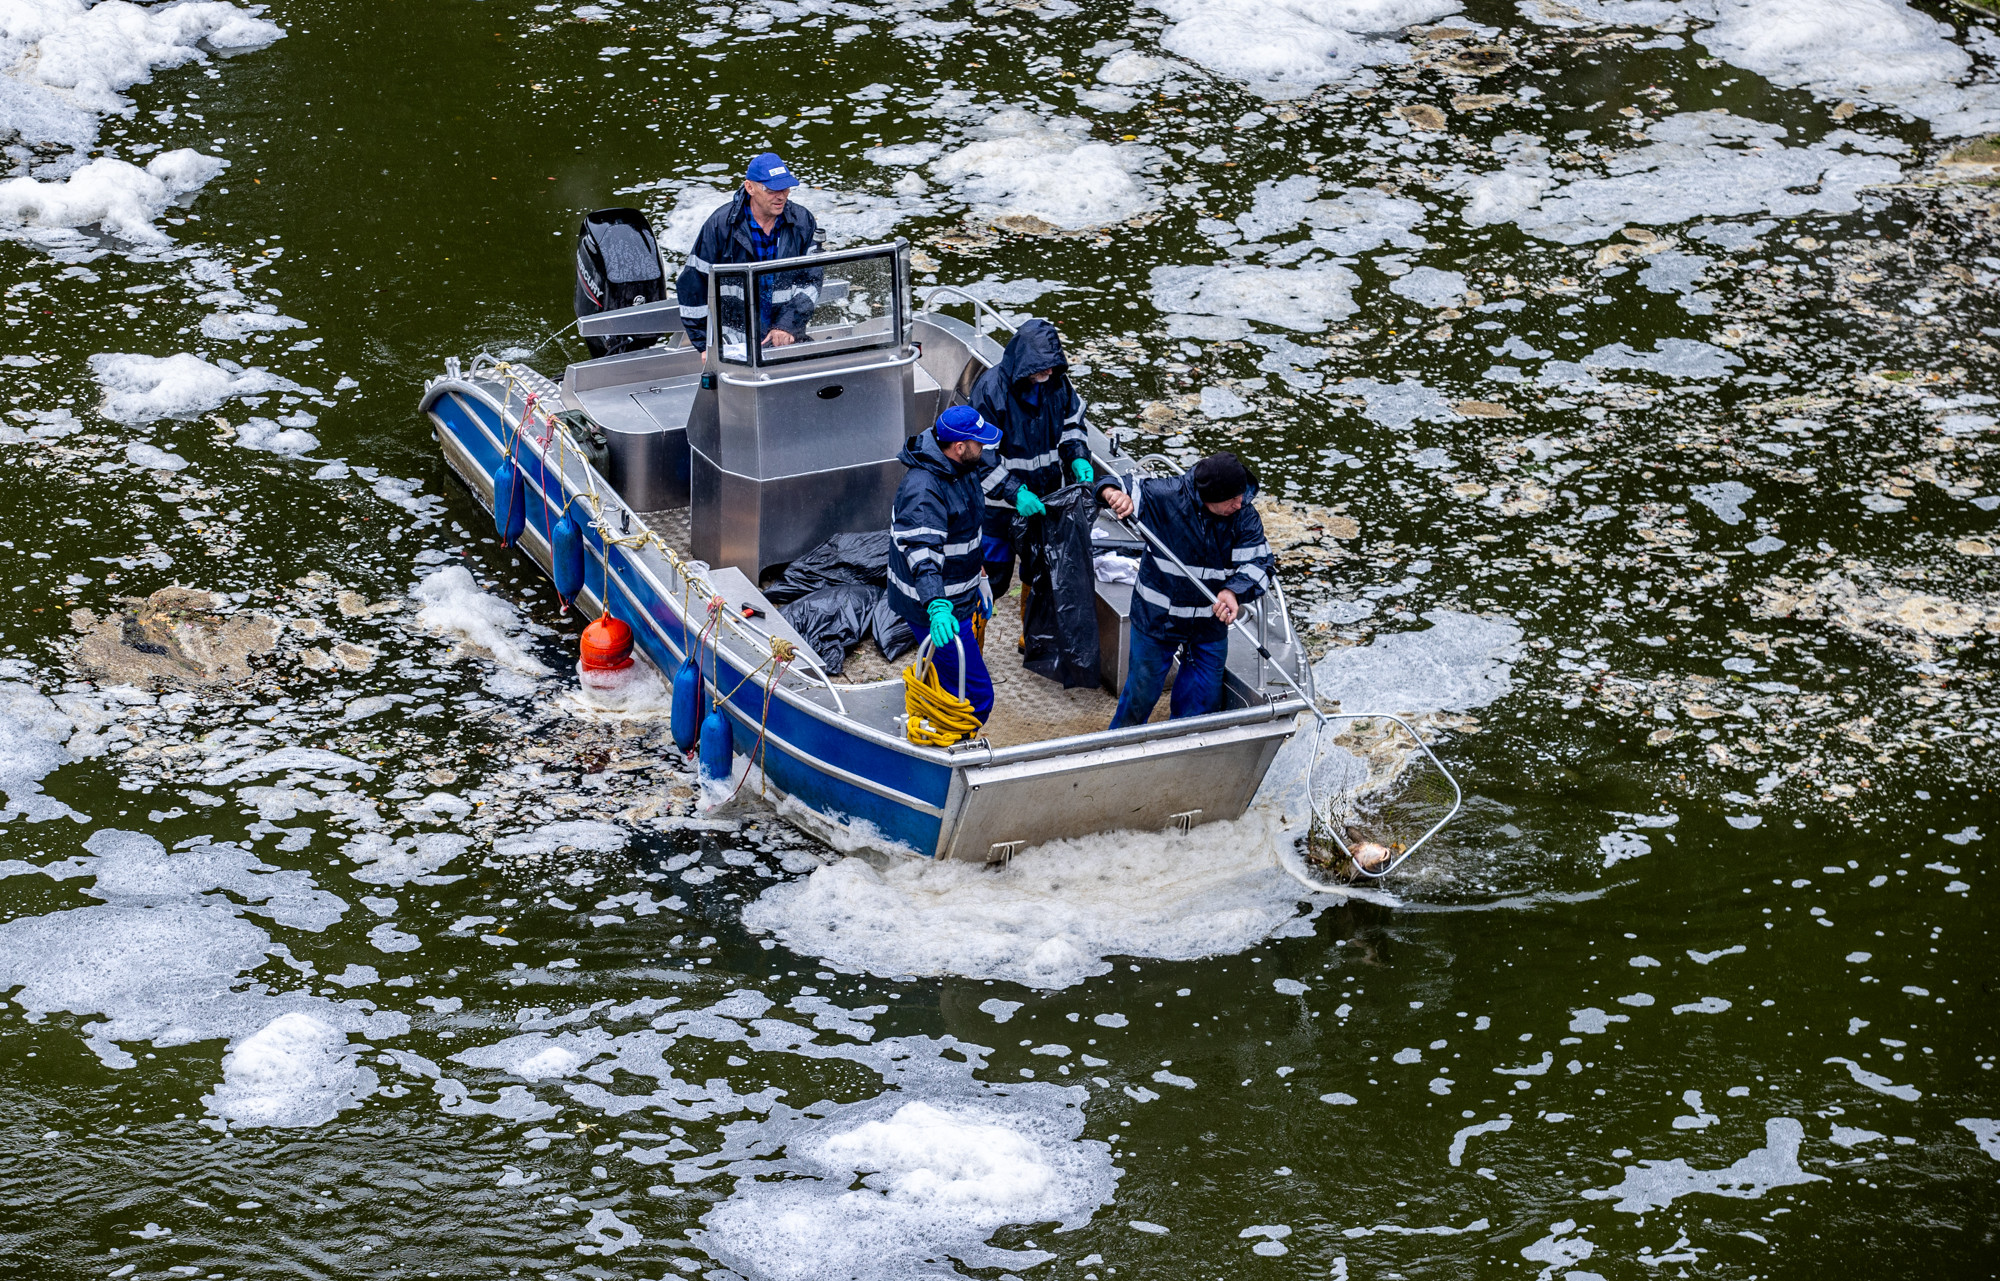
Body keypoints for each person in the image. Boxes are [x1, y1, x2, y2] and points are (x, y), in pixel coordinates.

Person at [1094, 451, 1274, 729]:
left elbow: (1260, 563)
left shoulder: (1244, 515)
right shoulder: (1164, 496)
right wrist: (1112, 492)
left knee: (1200, 702)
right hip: (1157, 621)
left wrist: (1234, 592)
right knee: (1140, 694)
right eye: (1232, 500)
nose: (1240, 504)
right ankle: (1118, 745)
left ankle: (1185, 748)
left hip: (1208, 626)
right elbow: (1113, 482)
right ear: (1209, 497)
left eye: (1241, 497)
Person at [887, 405, 1001, 725]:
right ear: (959, 446)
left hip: (958, 594)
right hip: (937, 607)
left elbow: (964, 532)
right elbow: (922, 554)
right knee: (977, 695)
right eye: (979, 442)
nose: (985, 447)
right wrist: (937, 606)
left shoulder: (962, 467)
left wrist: (979, 574)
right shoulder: (923, 489)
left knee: (941, 679)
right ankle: (950, 754)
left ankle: (927, 725)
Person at [970, 318, 1092, 595]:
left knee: (1037, 573)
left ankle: (1030, 638)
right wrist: (1015, 492)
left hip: (1043, 502)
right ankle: (977, 632)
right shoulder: (990, 391)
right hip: (996, 508)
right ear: (1025, 362)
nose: (1049, 370)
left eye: (1053, 363)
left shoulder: (1058, 385)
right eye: (1042, 365)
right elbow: (980, 457)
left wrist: (1078, 456)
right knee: (991, 578)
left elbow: (1072, 426)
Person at [675, 151, 821, 352]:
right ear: (749, 187)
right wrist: (705, 346)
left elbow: (812, 280)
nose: (781, 196)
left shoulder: (803, 221)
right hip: (732, 343)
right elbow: (693, 284)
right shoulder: (719, 226)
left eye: (786, 188)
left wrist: (786, 325)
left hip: (785, 338)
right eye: (771, 189)